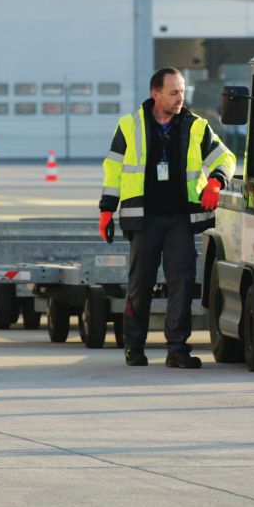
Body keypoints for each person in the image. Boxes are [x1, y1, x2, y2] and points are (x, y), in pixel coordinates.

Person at [99, 68, 235, 368]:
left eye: (182, 92)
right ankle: (134, 347)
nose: (180, 98)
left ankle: (177, 350)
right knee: (140, 285)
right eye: (173, 92)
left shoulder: (196, 126)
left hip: (180, 220)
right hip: (143, 219)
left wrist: (216, 182)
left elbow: (225, 158)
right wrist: (106, 209)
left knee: (182, 283)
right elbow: (113, 169)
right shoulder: (129, 126)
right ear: (155, 93)